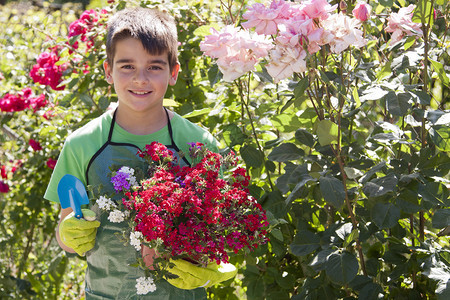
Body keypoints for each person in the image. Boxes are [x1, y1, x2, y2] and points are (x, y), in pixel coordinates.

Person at [44, 7, 236, 299]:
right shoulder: (82, 144)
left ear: (173, 72)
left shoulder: (197, 144)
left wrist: (209, 270)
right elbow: (68, 231)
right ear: (108, 71)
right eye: (127, 66)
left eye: (154, 67)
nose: (140, 79)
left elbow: (216, 228)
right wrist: (69, 234)